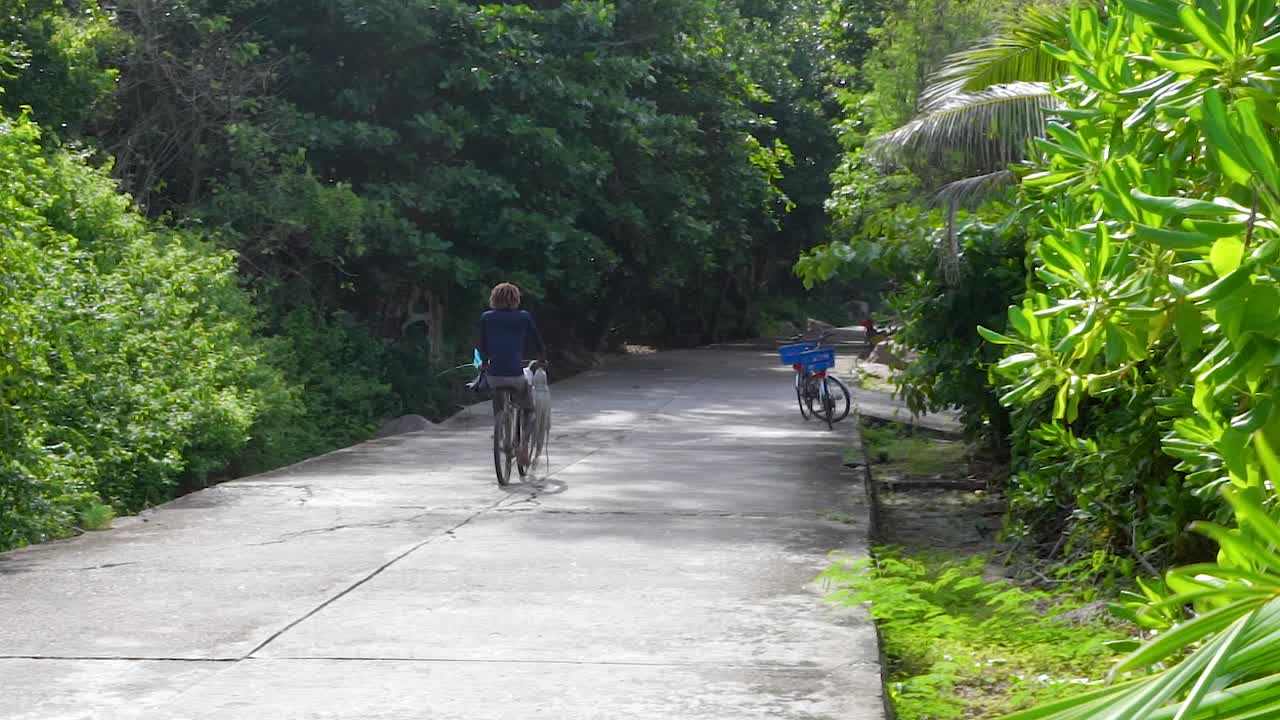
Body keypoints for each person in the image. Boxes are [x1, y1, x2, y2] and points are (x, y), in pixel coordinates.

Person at [478, 282, 546, 466]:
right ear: (516, 299)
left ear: (494, 298)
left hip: (494, 375)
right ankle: (523, 445)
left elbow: (482, 345)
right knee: (529, 410)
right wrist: (541, 359)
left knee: (497, 396)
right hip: (516, 375)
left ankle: (500, 430)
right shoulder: (523, 317)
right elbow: (538, 341)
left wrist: (484, 362)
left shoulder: (486, 317)